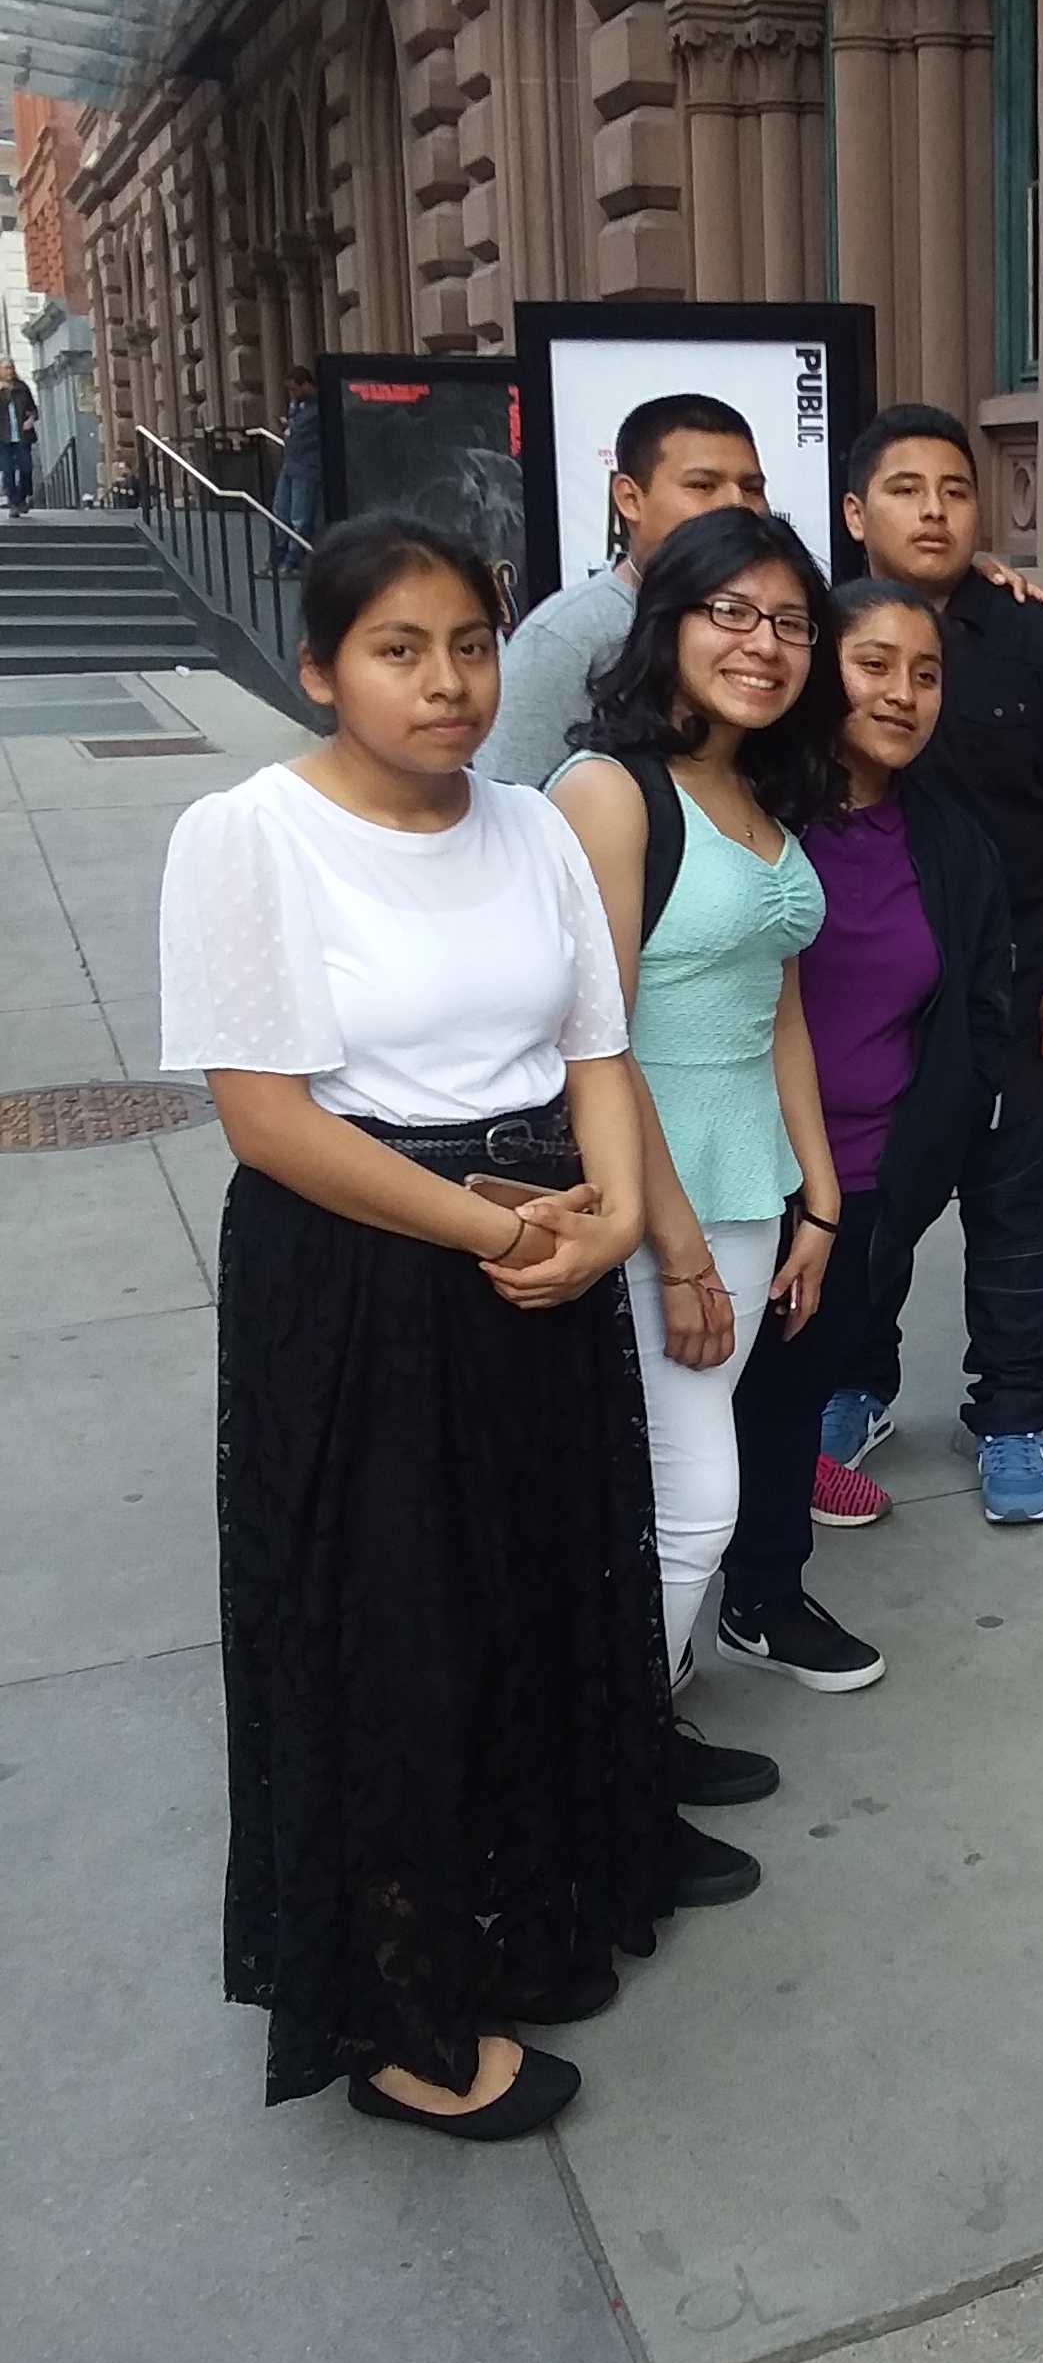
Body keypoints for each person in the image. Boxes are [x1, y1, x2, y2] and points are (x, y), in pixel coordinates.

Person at [156, 514, 679, 2142]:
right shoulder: (249, 832)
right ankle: (397, 2012)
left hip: (543, 1260)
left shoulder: (529, 825)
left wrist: (600, 1217)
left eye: (469, 641)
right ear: (319, 667)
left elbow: (596, 1038)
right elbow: (268, 1116)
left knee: (532, 1595)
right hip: (367, 1276)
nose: (446, 680)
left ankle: (513, 1921)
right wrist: (493, 1227)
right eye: (399, 647)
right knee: (392, 1634)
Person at [552, 508, 859, 1775]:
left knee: (672, 1497)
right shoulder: (607, 791)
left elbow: (776, 1001)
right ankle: (610, 1771)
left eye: (790, 622)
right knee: (694, 1507)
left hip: (747, 1189)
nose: (764, 643)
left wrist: (820, 1200)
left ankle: (634, 1733)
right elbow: (595, 1035)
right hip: (647, 1196)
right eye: (730, 612)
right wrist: (672, 1243)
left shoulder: (756, 784)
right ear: (666, 623)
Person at [820, 404, 1043, 1526]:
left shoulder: (1036, 636)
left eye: (956, 490)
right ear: (858, 512)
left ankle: (1009, 1417)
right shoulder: (814, 632)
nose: (936, 510)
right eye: (906, 489)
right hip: (872, 998)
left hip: (1020, 985)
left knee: (1013, 1222)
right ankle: (854, 1386)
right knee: (869, 1212)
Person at [718, 580, 1013, 1675]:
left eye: (925, 674)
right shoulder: (742, 807)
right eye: (874, 663)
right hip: (724, 1168)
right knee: (692, 1414)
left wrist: (928, 1143)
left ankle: (764, 1597)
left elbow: (982, 1000)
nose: (902, 693)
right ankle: (647, 1642)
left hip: (862, 1183)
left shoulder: (950, 842)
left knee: (796, 1394)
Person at [476, 394, 769, 791]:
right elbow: (510, 806)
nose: (736, 505)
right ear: (629, 498)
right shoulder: (567, 638)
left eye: (751, 488)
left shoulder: (776, 627)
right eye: (703, 485)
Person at [269, 367, 322, 543]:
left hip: (307, 467)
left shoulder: (318, 407)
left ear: (306, 385)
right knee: (280, 512)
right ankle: (278, 555)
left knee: (299, 518)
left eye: (294, 389)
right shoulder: (297, 405)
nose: (292, 394)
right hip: (290, 464)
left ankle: (292, 560)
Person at [0, 360, 37, 514]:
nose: (10, 371)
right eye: (7, 368)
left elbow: (33, 409)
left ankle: (22, 497)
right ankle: (13, 503)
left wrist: (30, 420)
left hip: (22, 436)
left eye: (12, 368)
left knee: (26, 468)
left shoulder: (22, 388)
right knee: (8, 471)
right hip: (3, 437)